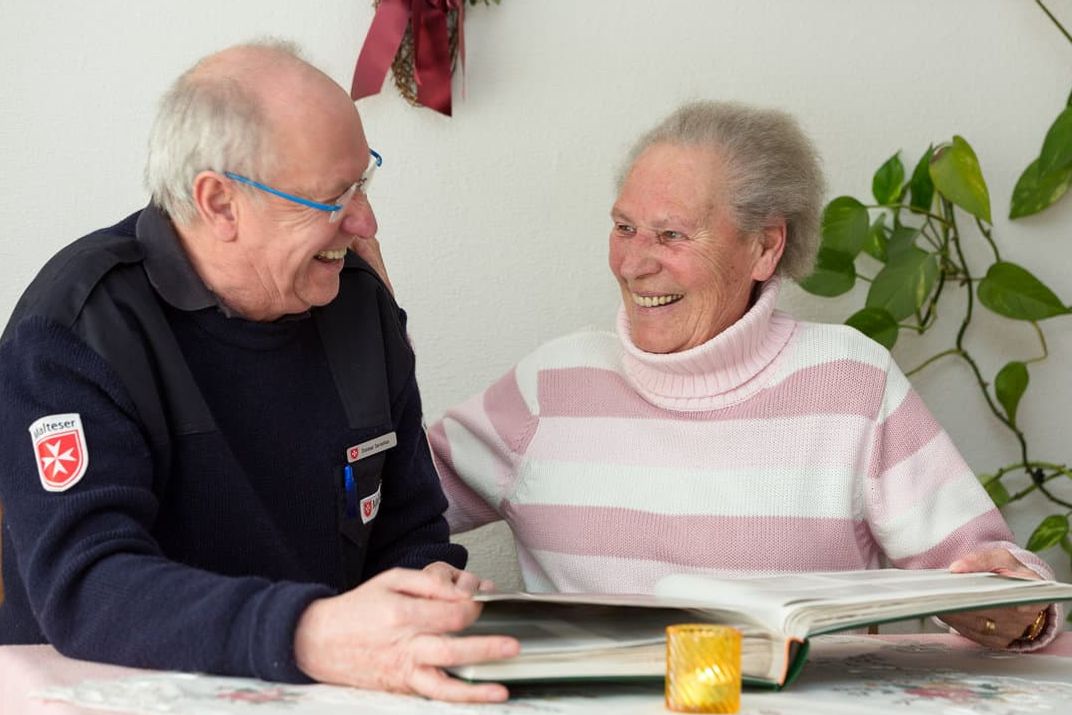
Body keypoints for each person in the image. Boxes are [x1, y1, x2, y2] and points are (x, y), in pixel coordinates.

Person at [429, 101, 1061, 650]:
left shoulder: (848, 383)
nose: (634, 263)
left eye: (671, 235)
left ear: (765, 248)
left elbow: (997, 581)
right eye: (624, 228)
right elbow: (378, 502)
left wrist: (1017, 613)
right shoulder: (551, 386)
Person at [0, 40, 518, 703]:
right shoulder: (77, 328)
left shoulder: (359, 304)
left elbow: (410, 532)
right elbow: (88, 587)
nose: (365, 221)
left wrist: (435, 606)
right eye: (334, 196)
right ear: (220, 203)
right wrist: (310, 632)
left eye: (364, 181)